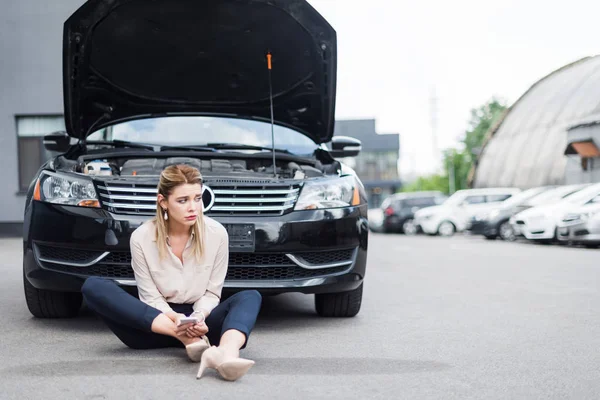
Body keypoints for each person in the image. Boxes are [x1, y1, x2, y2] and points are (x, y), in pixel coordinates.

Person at [81, 164, 262, 381]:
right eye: (183, 200)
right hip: (154, 327)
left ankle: (225, 354)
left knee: (251, 296)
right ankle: (188, 342)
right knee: (93, 286)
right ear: (163, 202)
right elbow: (150, 297)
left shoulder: (217, 234)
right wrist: (178, 322)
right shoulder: (141, 237)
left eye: (197, 198)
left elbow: (212, 294)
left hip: (202, 326)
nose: (193, 207)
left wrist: (197, 317)